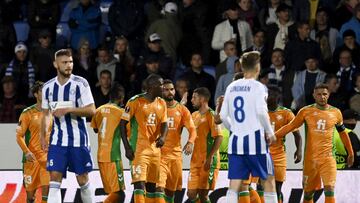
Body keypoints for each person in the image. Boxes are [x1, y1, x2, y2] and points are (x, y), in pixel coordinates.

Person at [275, 83, 354, 203]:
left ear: (328, 95)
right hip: (310, 160)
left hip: (328, 158)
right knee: (308, 194)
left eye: (324, 94)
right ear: (314, 95)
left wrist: (350, 152)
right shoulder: (306, 111)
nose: (322, 97)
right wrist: (273, 136)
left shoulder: (336, 112)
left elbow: (343, 133)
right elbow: (291, 126)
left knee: (329, 189)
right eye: (319, 94)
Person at [219, 51, 278, 203]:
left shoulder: (231, 87)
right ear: (257, 67)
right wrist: (270, 132)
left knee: (234, 184)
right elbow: (261, 111)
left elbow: (223, 116)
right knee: (269, 180)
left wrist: (235, 130)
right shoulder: (259, 87)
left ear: (242, 67)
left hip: (235, 143)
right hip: (255, 143)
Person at [40, 49, 96, 203]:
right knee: (54, 179)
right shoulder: (48, 87)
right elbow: (45, 114)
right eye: (64, 62)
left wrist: (69, 110)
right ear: (55, 64)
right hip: (58, 141)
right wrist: (43, 135)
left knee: (83, 179)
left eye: (70, 62)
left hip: (79, 140)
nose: (69, 65)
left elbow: (92, 110)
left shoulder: (80, 83)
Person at [120, 74, 168, 203]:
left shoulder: (162, 103)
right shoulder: (135, 101)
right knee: (139, 184)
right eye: (161, 85)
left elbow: (164, 124)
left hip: (155, 150)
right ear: (152, 87)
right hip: (138, 150)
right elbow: (122, 124)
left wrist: (163, 137)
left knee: (152, 187)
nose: (163, 87)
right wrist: (127, 147)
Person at [156, 79, 197, 202]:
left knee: (170, 192)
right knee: (159, 189)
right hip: (159, 155)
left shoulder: (182, 110)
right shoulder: (156, 107)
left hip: (175, 156)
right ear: (161, 92)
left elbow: (193, 130)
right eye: (166, 89)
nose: (170, 92)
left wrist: (190, 142)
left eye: (172, 89)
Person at [90, 83, 126, 203]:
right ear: (121, 98)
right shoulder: (121, 113)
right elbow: (126, 132)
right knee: (120, 194)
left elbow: (95, 129)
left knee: (112, 193)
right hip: (113, 157)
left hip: (100, 157)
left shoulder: (98, 110)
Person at [267, 85, 302, 203]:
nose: (268, 97)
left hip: (278, 155)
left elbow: (297, 135)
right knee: (260, 188)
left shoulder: (287, 113)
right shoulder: (258, 112)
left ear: (278, 97)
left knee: (277, 188)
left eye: (271, 94)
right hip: (261, 154)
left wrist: (299, 150)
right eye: (267, 94)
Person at [187, 87, 223, 203]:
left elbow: (219, 137)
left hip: (207, 160)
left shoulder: (211, 115)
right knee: (191, 193)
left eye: (194, 97)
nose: (192, 100)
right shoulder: (194, 115)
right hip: (195, 160)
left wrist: (210, 157)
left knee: (203, 195)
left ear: (202, 99)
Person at [16, 81, 50, 203]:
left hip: (47, 159)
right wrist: (26, 152)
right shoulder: (27, 113)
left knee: (47, 196)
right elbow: (19, 136)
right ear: (36, 94)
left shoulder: (52, 112)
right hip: (31, 160)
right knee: (31, 198)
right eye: (42, 91)